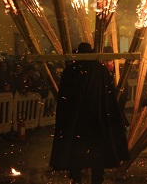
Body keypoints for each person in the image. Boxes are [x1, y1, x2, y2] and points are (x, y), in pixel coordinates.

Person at [49, 42, 129, 184]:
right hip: (96, 118)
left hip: (76, 120)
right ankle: (96, 177)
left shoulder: (70, 70)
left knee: (77, 149)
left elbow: (64, 98)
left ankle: (77, 177)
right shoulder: (100, 70)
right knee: (96, 150)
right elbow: (108, 96)